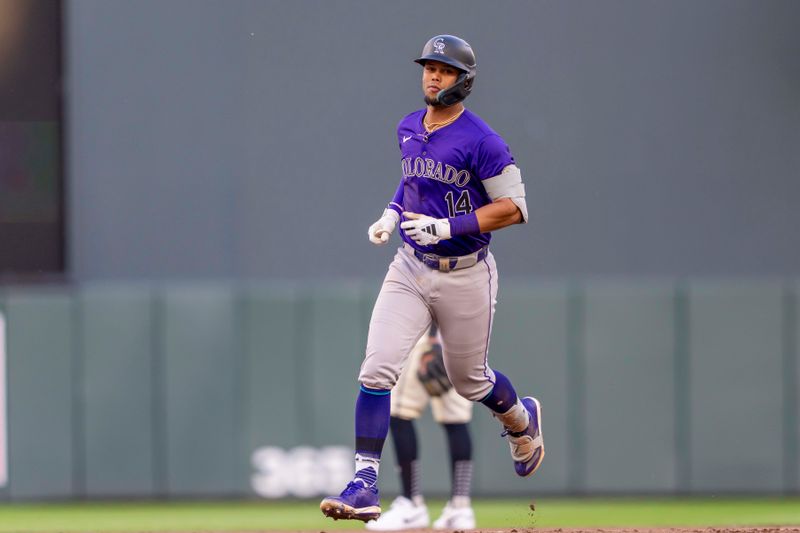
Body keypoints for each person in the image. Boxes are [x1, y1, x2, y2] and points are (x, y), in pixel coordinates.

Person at [320, 34, 544, 523]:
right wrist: (392, 211)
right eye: (428, 67)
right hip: (411, 265)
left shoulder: (483, 140)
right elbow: (414, 179)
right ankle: (364, 483)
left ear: (464, 80)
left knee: (469, 381)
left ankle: (522, 421)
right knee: (376, 368)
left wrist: (449, 226)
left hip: (466, 273)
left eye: (444, 69)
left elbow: (514, 209)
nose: (433, 75)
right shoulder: (407, 126)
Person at [365, 323, 476, 530]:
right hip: (465, 334)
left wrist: (434, 338)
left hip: (429, 334)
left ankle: (411, 501)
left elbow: (435, 291)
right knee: (457, 419)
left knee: (400, 413)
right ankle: (461, 507)